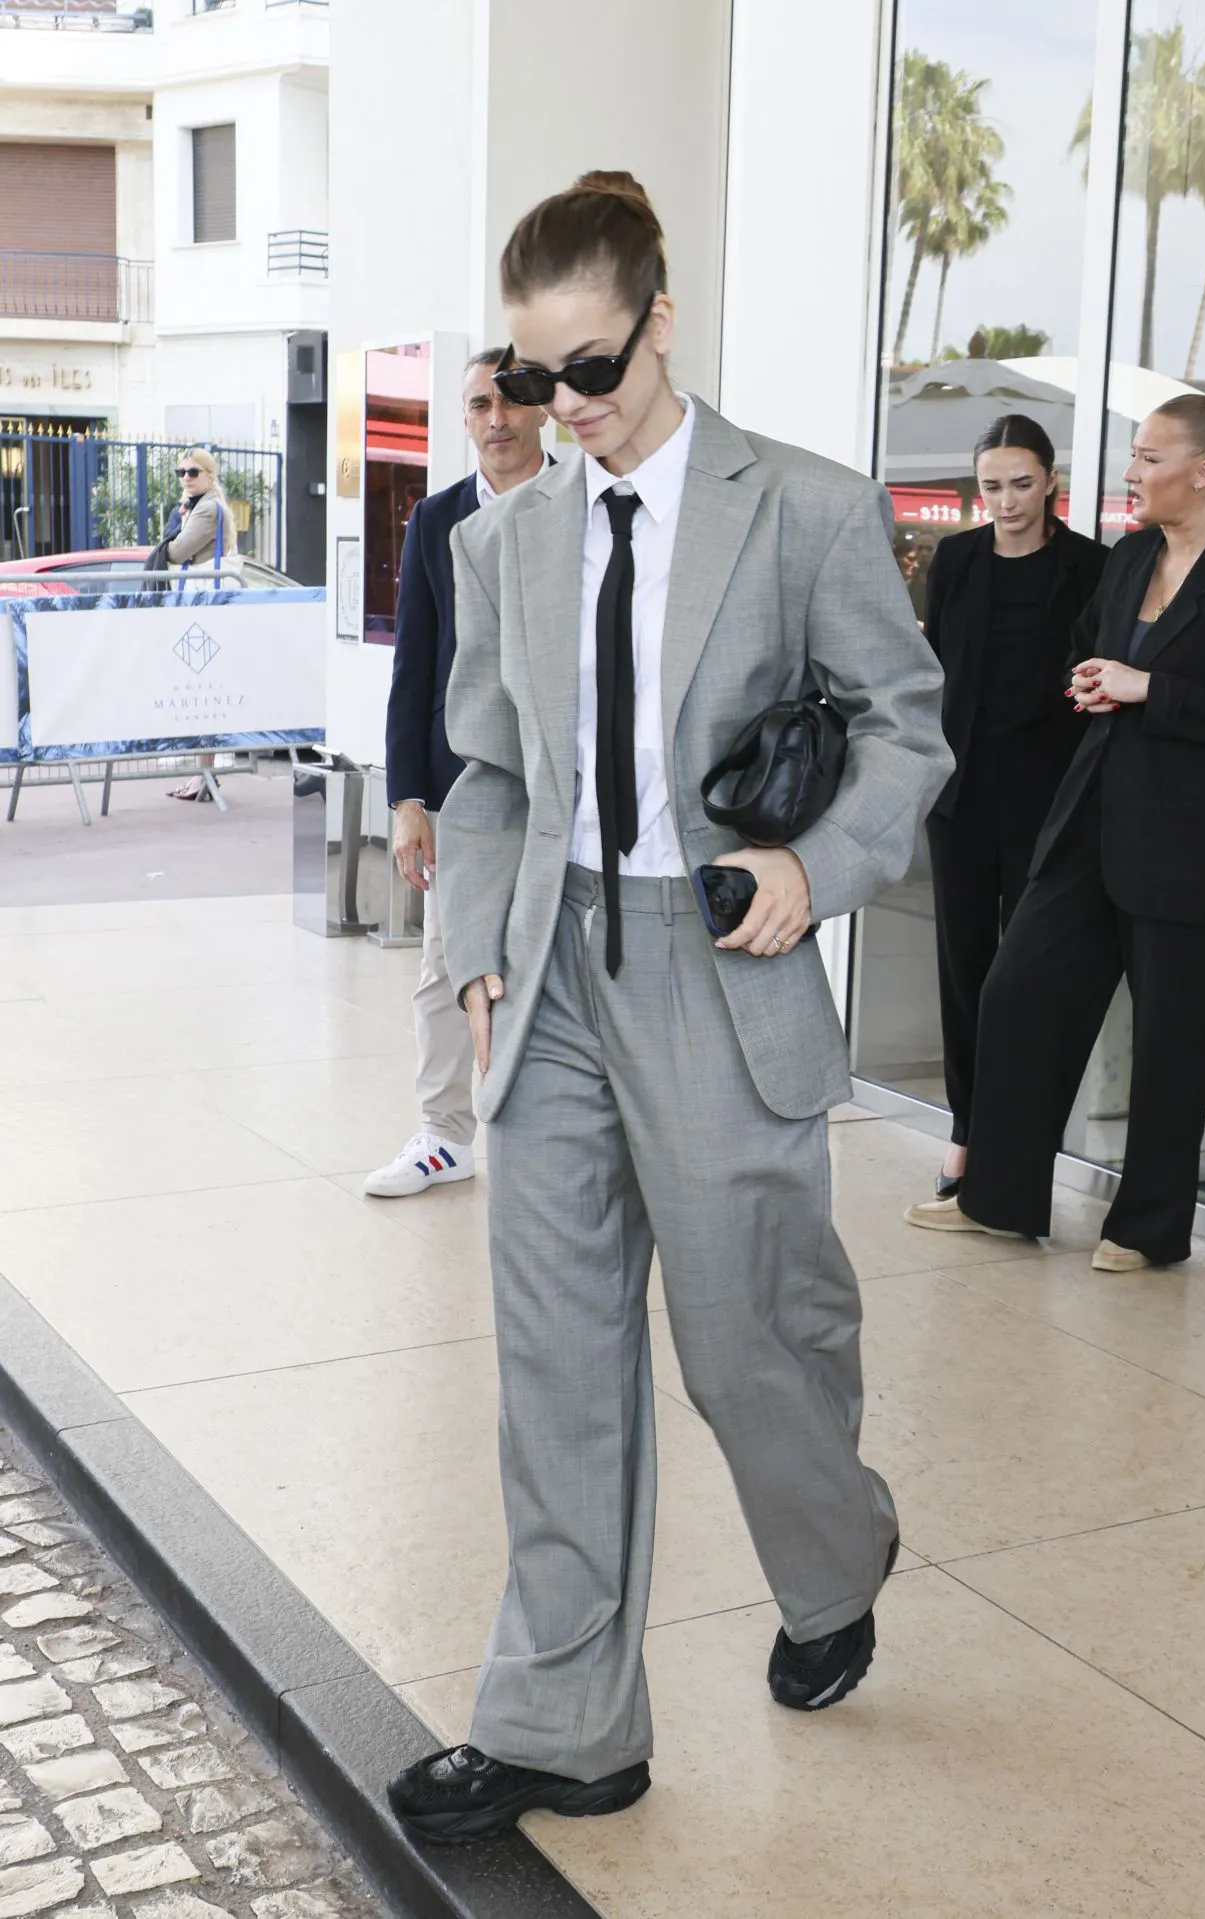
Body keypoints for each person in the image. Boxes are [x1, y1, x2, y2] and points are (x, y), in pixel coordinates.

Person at [386, 170, 952, 1847]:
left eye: (596, 369)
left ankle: (835, 1554)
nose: (570, 408)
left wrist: (816, 864)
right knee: (555, 1355)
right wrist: (481, 934)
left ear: (662, 318)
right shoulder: (512, 538)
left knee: (743, 1334)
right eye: (537, 375)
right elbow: (492, 765)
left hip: (723, 953)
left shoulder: (808, 508)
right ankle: (566, 1721)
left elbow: (906, 729)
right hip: (557, 962)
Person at [906, 394, 1205, 1271]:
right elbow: (1090, 643)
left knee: (1173, 1046)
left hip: (1187, 843)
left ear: (1204, 472)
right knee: (1017, 993)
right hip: (1089, 822)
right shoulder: (1134, 556)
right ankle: (998, 1195)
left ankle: (1146, 1231)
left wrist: (1150, 688)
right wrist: (1095, 681)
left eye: (1149, 457)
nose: (1131, 472)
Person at [364, 353, 549, 1198]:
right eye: (480, 404)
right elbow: (416, 667)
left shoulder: (583, 509)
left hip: (560, 785)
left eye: (512, 402)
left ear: (542, 410)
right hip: (461, 787)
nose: (498, 418)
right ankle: (444, 1132)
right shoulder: (436, 520)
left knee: (553, 961)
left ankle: (547, 1131)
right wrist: (408, 798)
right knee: (446, 958)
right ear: (464, 416)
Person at [923, 418, 1106, 1200]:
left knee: (1024, 978)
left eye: (1021, 483)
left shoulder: (1093, 567)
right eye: (992, 485)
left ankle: (1017, 1144)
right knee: (964, 971)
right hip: (961, 799)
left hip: (1048, 801)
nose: (1006, 500)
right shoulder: (955, 560)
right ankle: (967, 1132)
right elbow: (930, 671)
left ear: (1050, 482)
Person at [164, 448, 239, 801]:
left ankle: (203, 775)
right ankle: (202, 774)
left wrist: (175, 524)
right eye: (181, 473)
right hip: (206, 605)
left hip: (204, 605)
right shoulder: (205, 506)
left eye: (193, 472)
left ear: (209, 475)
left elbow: (176, 551)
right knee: (203, 689)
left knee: (201, 686)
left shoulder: (208, 508)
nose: (186, 478)